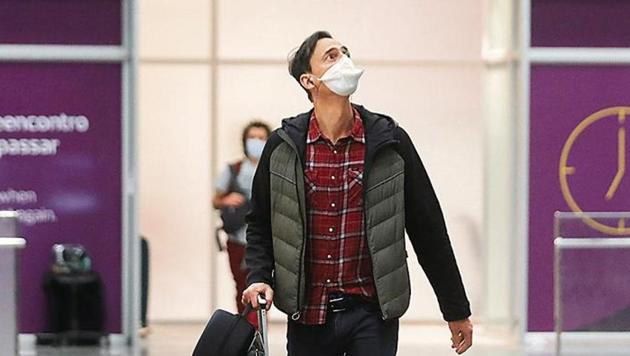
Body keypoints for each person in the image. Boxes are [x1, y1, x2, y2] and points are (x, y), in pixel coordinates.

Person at [242, 31, 473, 355]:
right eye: (331, 56)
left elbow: (428, 228)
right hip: (309, 315)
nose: (344, 60)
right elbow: (261, 223)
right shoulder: (284, 147)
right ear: (309, 81)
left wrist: (455, 308)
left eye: (345, 52)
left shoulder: (389, 142)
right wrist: (258, 275)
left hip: (372, 314)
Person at [213, 120, 271, 327]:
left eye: (261, 138)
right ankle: (246, 329)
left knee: (262, 285)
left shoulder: (273, 168)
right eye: (252, 138)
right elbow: (216, 199)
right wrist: (226, 200)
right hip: (238, 238)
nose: (256, 142)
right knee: (242, 286)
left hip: (266, 239)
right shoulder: (234, 169)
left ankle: (257, 329)